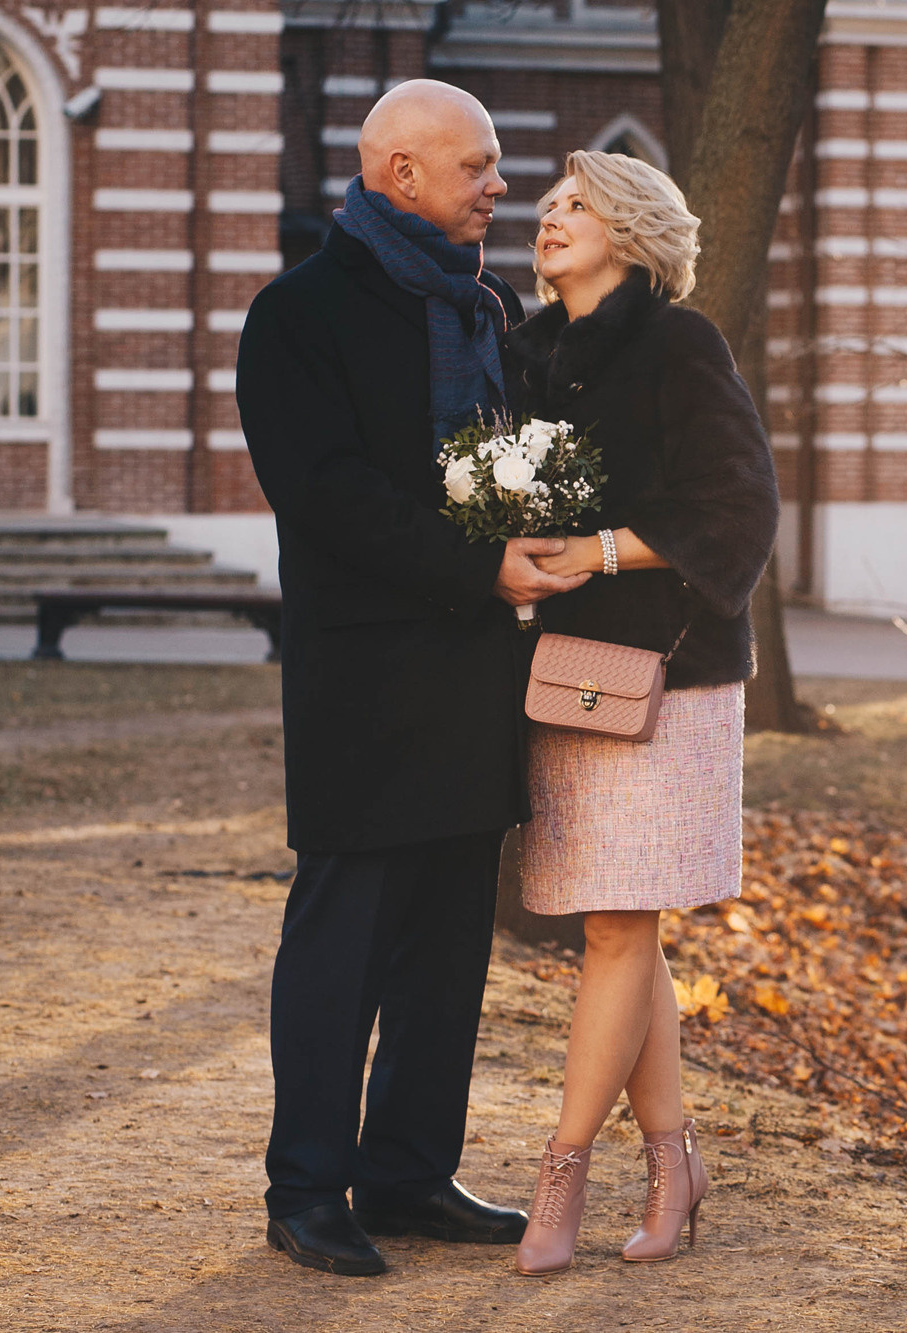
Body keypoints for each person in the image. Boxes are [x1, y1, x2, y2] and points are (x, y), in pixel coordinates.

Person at [235, 79, 589, 1277]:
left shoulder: (481, 308)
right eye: (478, 166)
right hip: (364, 685)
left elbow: (493, 467)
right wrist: (484, 564)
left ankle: (407, 1172)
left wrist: (537, 538)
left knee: (446, 947)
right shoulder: (299, 314)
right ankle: (307, 1188)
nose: (500, 185)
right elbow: (330, 500)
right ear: (400, 176)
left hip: (473, 674)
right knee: (342, 947)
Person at [502, 151, 778, 1276]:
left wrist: (605, 547)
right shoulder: (521, 351)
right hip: (558, 672)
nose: (548, 218)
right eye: (547, 205)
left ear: (628, 229)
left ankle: (559, 1176)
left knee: (619, 926)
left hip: (670, 676)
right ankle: (676, 1162)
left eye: (574, 205)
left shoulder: (679, 342)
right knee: (621, 925)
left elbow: (739, 502)